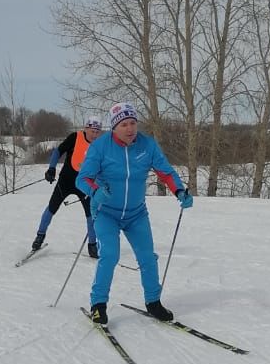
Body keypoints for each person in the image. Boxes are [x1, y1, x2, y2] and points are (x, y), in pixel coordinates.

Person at [76, 102, 193, 326]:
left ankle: (153, 302)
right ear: (114, 127)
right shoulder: (101, 146)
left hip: (136, 213)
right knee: (109, 255)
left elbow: (165, 172)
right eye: (124, 125)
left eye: (133, 123)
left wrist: (179, 190)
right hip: (105, 212)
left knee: (148, 257)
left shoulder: (147, 145)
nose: (130, 129)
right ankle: (98, 305)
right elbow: (82, 179)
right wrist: (96, 192)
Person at [31, 117, 104, 257]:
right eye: (92, 131)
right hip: (65, 181)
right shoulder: (75, 137)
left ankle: (92, 245)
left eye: (97, 132)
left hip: (85, 184)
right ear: (86, 128)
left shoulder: (100, 145)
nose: (94, 134)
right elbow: (58, 151)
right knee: (52, 208)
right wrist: (51, 168)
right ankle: (39, 237)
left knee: (91, 214)